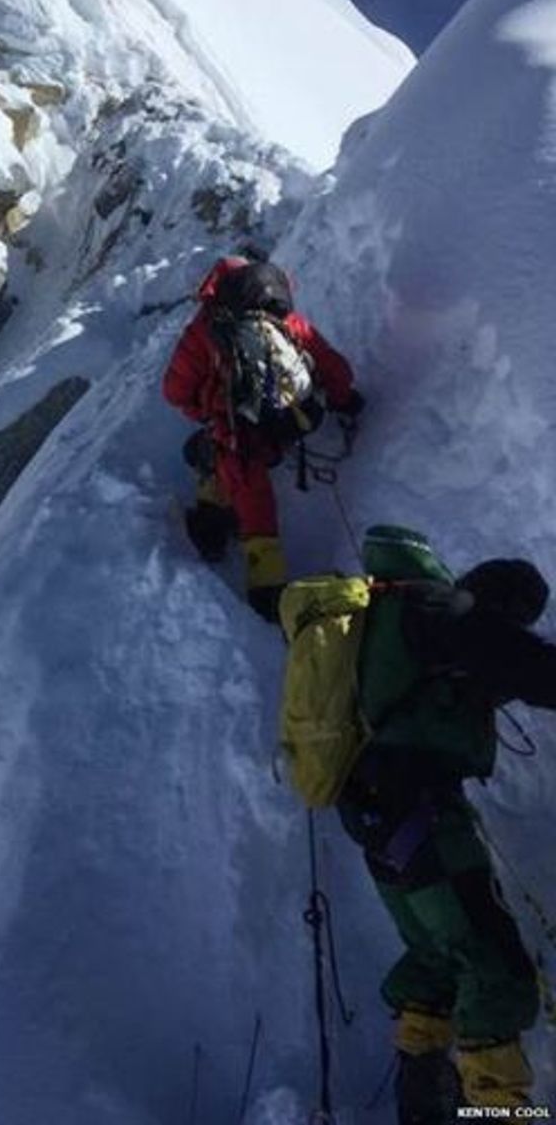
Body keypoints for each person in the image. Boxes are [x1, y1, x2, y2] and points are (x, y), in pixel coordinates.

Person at [336, 524, 556, 1122]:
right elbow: (522, 663)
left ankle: (422, 1099)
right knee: (497, 969)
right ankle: (503, 1114)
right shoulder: (442, 612)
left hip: (380, 817)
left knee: (438, 956)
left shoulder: (404, 634)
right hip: (421, 817)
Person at [162, 254, 362, 620]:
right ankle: (260, 575)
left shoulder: (205, 329)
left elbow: (175, 391)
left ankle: (261, 583)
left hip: (236, 435)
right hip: (287, 424)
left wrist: (207, 411)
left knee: (241, 486)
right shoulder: (284, 319)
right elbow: (333, 367)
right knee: (244, 482)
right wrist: (346, 400)